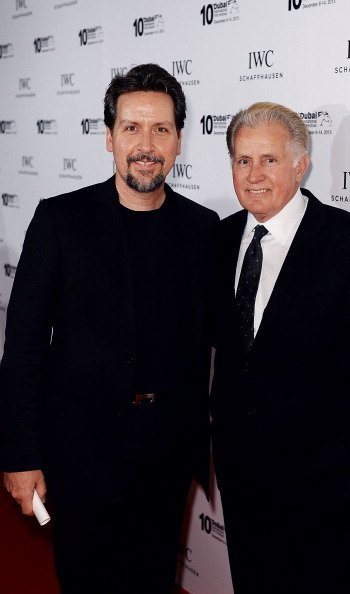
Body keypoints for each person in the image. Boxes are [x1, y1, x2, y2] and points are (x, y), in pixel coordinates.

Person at [0, 63, 219, 594]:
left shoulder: (202, 229)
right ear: (108, 137)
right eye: (132, 128)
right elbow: (24, 346)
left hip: (165, 452)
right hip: (80, 450)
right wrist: (20, 455)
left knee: (151, 578)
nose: (147, 144)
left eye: (161, 129)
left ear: (179, 140)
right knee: (85, 579)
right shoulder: (60, 220)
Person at [210, 102, 350, 594]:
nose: (254, 175)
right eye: (242, 160)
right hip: (242, 481)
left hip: (327, 489)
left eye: (270, 160)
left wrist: (348, 461)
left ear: (301, 164)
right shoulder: (219, 239)